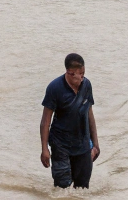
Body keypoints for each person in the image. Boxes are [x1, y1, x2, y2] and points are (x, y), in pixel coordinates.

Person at [40, 53, 100, 190]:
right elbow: (45, 121)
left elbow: (90, 114)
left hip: (83, 144)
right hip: (60, 145)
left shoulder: (86, 85)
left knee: (82, 190)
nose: (83, 77)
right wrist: (44, 149)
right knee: (62, 190)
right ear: (70, 73)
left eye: (84, 73)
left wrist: (95, 143)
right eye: (80, 74)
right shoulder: (54, 88)